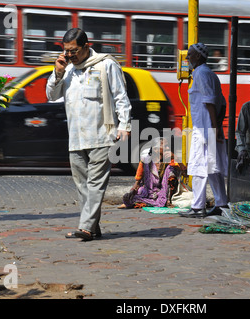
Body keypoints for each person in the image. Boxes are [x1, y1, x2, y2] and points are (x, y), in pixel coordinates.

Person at [46, 28, 132, 241]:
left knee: (95, 184)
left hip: (102, 135)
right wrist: (57, 73)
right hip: (75, 137)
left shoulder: (106, 65)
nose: (69, 55)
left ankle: (85, 227)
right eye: (66, 51)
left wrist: (125, 126)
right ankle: (93, 227)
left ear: (86, 46)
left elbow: (120, 96)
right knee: (82, 186)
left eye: (73, 51)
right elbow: (51, 95)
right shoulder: (66, 70)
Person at [178, 43, 228, 218]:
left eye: (189, 55)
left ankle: (198, 207)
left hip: (204, 130)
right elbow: (222, 104)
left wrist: (214, 128)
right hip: (209, 129)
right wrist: (218, 126)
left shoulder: (201, 74)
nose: (187, 58)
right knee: (212, 168)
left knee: (199, 167)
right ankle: (222, 204)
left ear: (198, 56)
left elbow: (210, 102)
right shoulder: (209, 74)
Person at [119, 137, 187, 209]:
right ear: (155, 149)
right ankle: (145, 201)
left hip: (164, 192)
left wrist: (176, 158)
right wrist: (133, 190)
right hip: (148, 191)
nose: (167, 148)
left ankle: (165, 200)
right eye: (165, 146)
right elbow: (138, 178)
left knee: (170, 170)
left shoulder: (169, 159)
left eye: (168, 146)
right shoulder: (145, 160)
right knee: (131, 197)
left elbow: (185, 173)